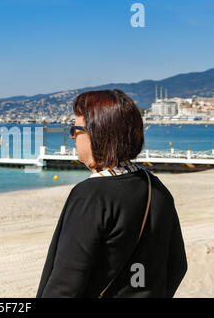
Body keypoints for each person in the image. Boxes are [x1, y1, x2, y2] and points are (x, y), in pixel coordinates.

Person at [36, 89, 187, 298]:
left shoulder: (91, 195)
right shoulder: (157, 188)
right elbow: (177, 265)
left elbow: (65, 284)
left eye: (75, 129)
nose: (72, 137)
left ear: (98, 134)